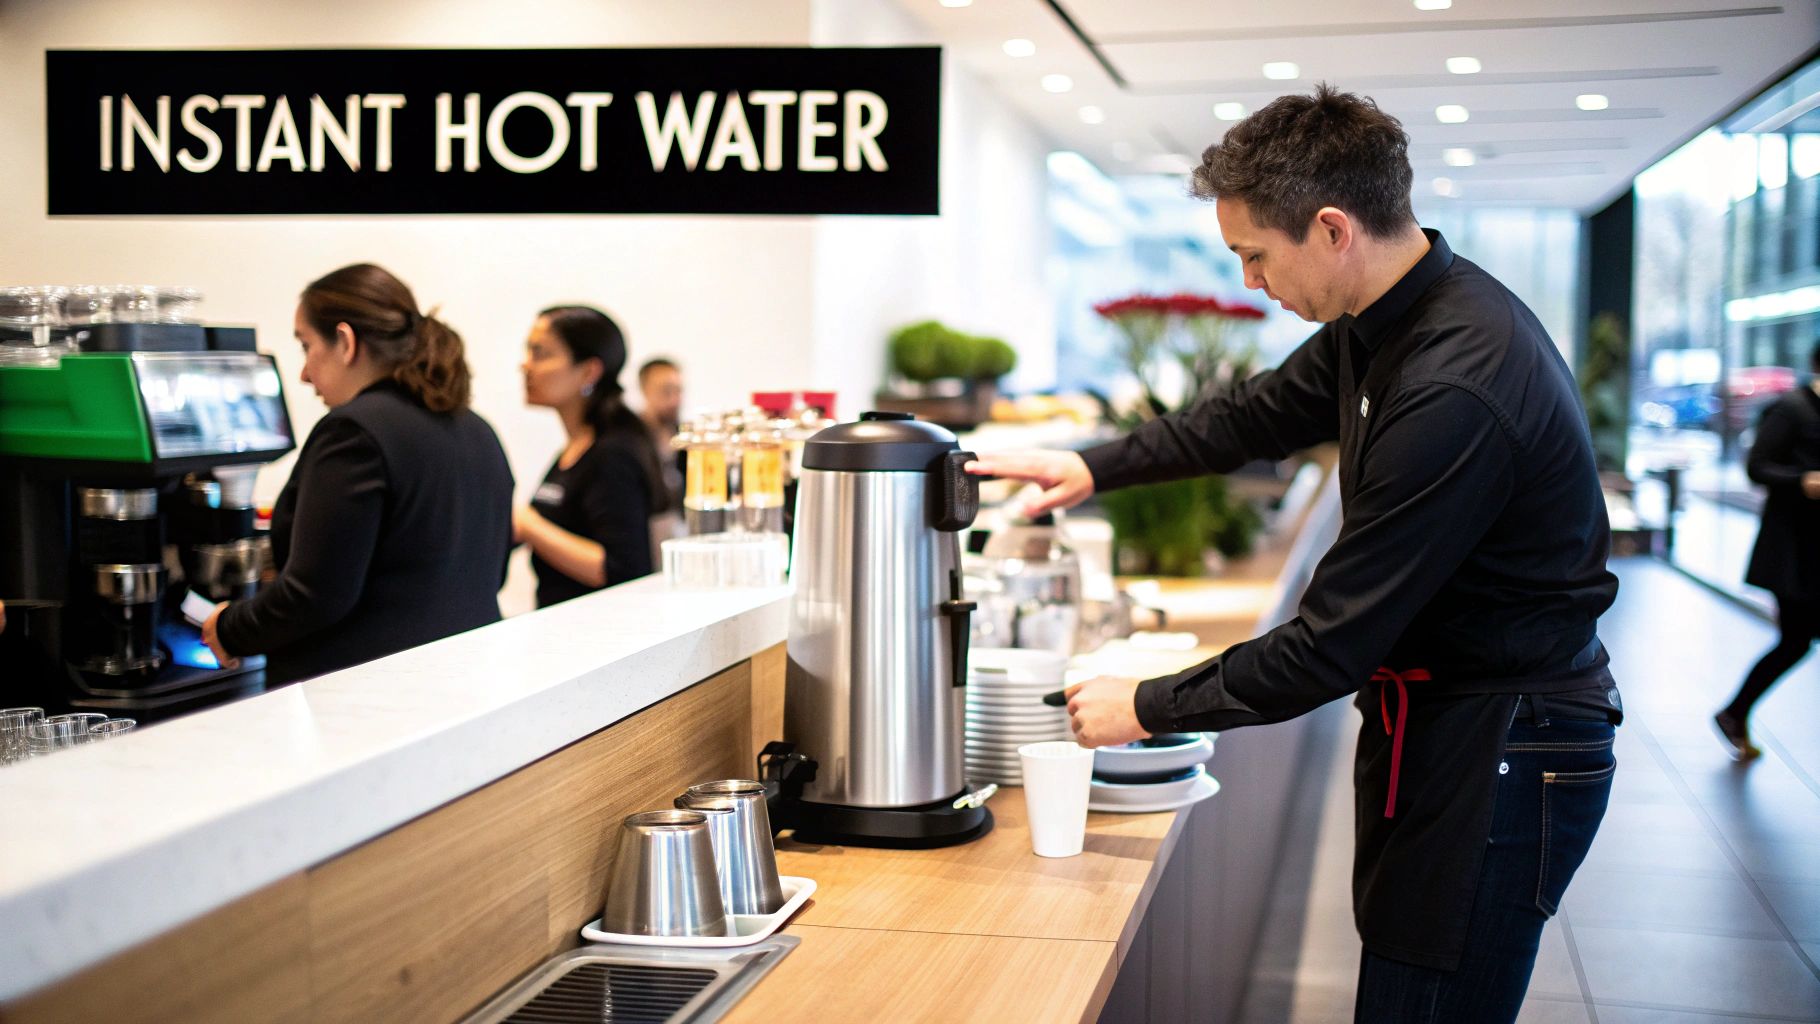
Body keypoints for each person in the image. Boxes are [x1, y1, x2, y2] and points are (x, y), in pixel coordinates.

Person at [968, 85, 1621, 1024]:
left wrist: (1145, 706)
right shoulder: (1383, 314)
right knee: (1401, 983)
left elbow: (1328, 645)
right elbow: (1254, 416)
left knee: (1426, 1005)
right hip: (1445, 716)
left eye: (1254, 257)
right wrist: (1088, 463)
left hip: (1506, 739)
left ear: (1331, 228)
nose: (1249, 284)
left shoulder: (1454, 383)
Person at [200, 264, 513, 686]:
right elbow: (490, 575)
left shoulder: (354, 432)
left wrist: (228, 628)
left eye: (306, 345)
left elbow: (314, 596)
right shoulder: (477, 428)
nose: (304, 373)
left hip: (367, 699)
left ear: (345, 342)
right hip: (464, 681)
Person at [516, 306, 664, 608]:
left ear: (588, 371)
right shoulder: (575, 449)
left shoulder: (613, 454)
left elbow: (622, 568)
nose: (525, 366)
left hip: (596, 638)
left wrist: (529, 525)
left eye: (540, 353)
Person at [1715, 341, 1820, 759]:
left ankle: (1734, 713)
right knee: (1794, 641)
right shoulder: (1792, 408)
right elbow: (1757, 467)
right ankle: (1735, 712)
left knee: (1794, 641)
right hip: (1793, 553)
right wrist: (1803, 480)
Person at [638, 357, 687, 515]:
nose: (674, 400)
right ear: (644, 390)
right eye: (666, 391)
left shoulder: (686, 440)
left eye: (678, 391)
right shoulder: (630, 442)